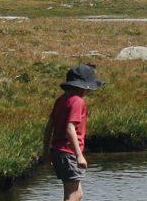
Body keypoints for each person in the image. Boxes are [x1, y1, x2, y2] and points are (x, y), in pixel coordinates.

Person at [42, 64, 103, 201]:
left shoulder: (61, 100)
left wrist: (46, 152)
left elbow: (49, 127)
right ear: (84, 86)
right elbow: (70, 128)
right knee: (73, 194)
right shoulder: (78, 101)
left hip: (58, 152)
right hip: (69, 153)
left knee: (77, 193)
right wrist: (79, 155)